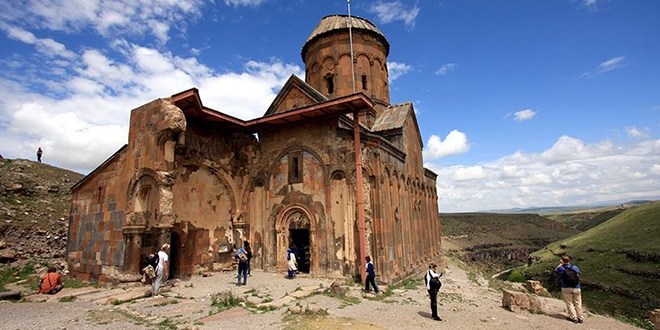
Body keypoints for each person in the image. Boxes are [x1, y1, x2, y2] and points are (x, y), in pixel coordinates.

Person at [556, 255, 584, 324]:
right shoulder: (574, 267)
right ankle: (580, 317)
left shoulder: (561, 268)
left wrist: (561, 264)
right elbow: (578, 274)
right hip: (577, 287)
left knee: (569, 303)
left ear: (562, 261)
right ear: (569, 261)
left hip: (566, 287)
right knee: (578, 302)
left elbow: (556, 269)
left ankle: (573, 317)